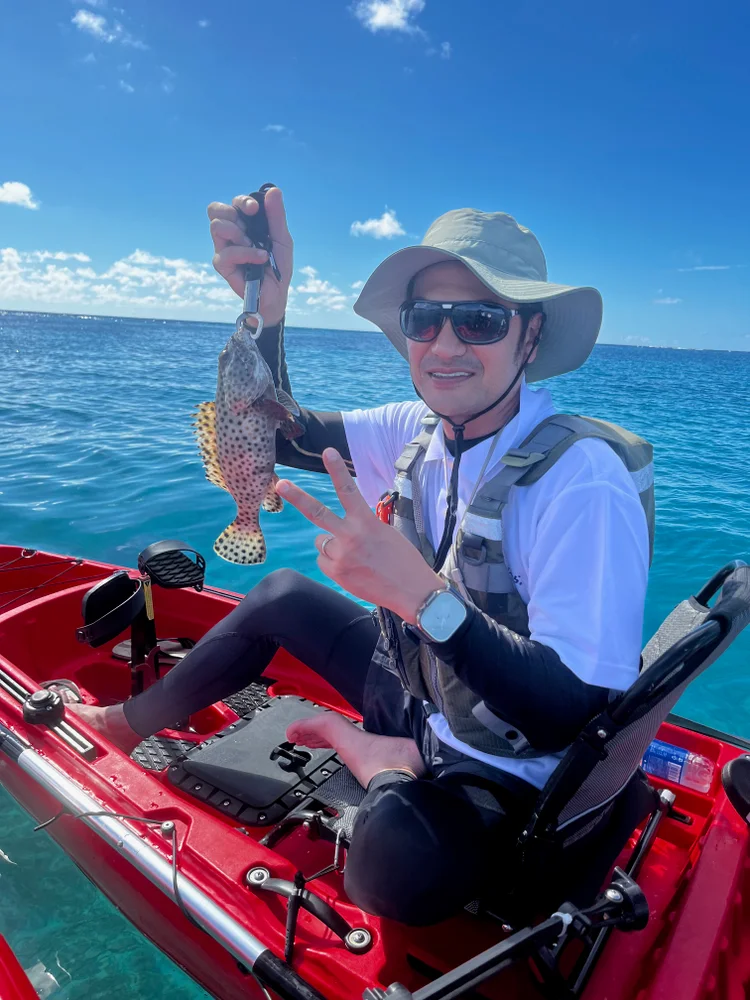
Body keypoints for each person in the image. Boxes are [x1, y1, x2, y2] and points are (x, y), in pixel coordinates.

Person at [72, 188, 650, 925]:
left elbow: (571, 711)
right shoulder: (420, 428)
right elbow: (275, 432)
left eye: (479, 320)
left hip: (501, 763)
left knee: (394, 868)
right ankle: (125, 724)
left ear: (529, 336)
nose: (445, 345)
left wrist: (423, 600)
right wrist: (265, 308)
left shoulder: (580, 477)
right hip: (429, 701)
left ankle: (372, 754)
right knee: (281, 593)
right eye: (425, 319)